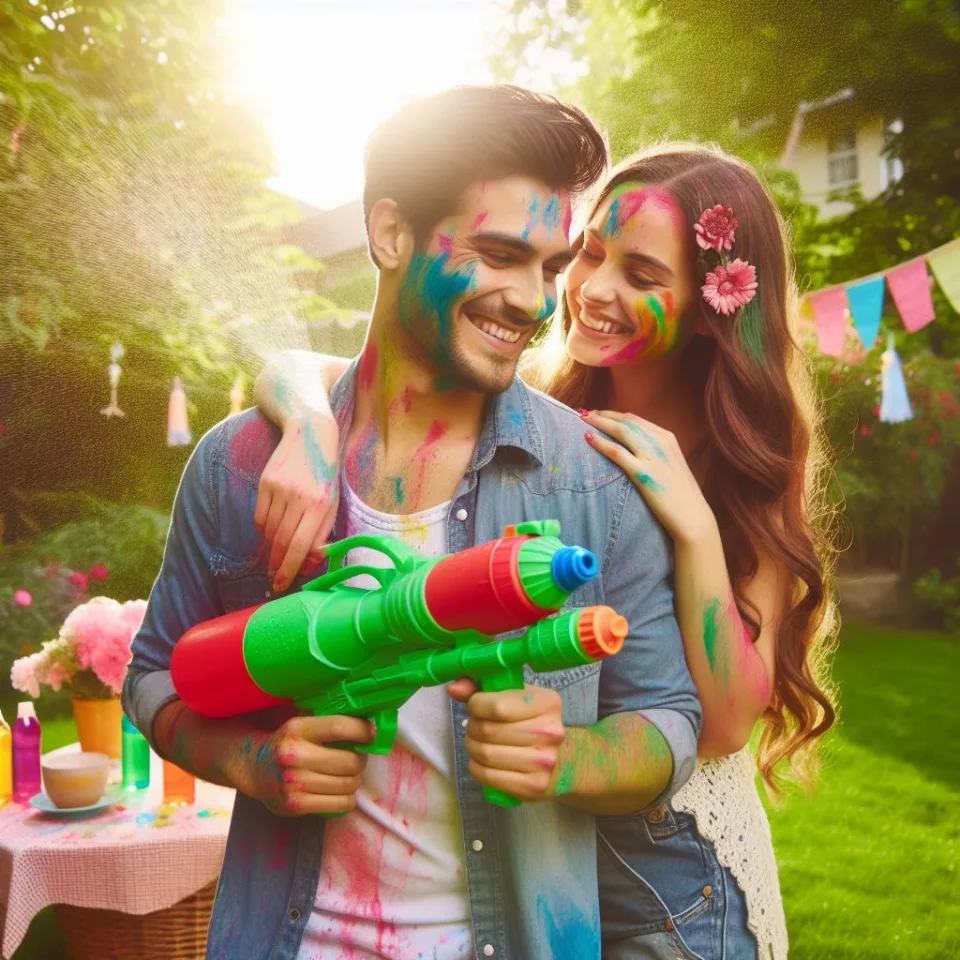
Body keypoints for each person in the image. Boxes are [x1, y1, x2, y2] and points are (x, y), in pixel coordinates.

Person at [124, 86, 702, 960]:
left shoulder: (593, 481)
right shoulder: (238, 464)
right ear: (392, 233)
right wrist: (254, 764)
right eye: (501, 254)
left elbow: (669, 721)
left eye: (548, 267)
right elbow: (153, 677)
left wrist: (572, 761)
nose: (535, 300)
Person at [253, 143, 838, 959]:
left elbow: (727, 722)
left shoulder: (746, 461)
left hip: (672, 877)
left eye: (641, 275)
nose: (594, 290)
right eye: (590, 253)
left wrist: (695, 529)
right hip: (550, 862)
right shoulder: (544, 417)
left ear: (712, 307)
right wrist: (310, 422)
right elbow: (317, 367)